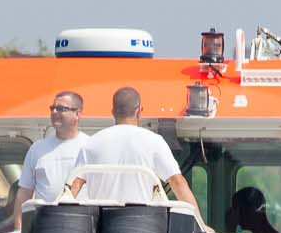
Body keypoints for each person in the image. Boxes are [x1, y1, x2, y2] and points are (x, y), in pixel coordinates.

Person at [67, 87, 205, 224]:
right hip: (140, 230)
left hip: (102, 231)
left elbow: (73, 187)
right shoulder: (154, 141)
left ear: (113, 112)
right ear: (139, 111)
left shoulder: (92, 143)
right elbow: (178, 182)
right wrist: (200, 224)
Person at [23, 91, 89, 205]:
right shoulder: (37, 148)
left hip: (81, 218)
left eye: (61, 109)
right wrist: (20, 223)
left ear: (77, 114)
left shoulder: (89, 146)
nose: (54, 112)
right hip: (45, 219)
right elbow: (24, 191)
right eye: (52, 108)